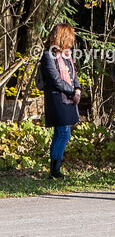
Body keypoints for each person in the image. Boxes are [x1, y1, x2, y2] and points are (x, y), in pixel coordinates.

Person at [39, 23, 82, 179]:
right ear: (62, 37)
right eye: (70, 37)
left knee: (61, 133)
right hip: (57, 99)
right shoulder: (48, 56)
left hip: (68, 98)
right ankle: (55, 170)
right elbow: (56, 80)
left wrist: (77, 89)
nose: (72, 41)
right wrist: (72, 93)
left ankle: (54, 169)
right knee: (64, 134)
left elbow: (74, 76)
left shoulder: (66, 55)